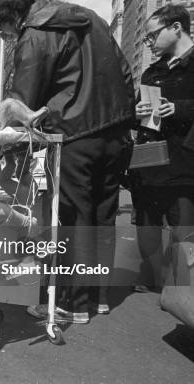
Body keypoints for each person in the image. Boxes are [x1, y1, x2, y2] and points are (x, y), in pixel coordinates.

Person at [0, 0, 136, 324]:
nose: (3, 36)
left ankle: (70, 303)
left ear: (7, 15)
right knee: (103, 214)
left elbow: (24, 103)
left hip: (74, 134)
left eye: (1, 29)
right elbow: (126, 72)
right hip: (116, 131)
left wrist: (1, 119)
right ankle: (97, 297)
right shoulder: (91, 19)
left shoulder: (36, 34)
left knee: (70, 218)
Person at [132, 4, 194, 293]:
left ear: (177, 27)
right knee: (147, 230)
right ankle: (157, 279)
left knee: (184, 232)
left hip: (184, 167)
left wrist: (179, 108)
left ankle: (181, 289)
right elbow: (142, 118)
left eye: (152, 35)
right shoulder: (151, 72)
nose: (149, 42)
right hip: (149, 164)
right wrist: (138, 110)